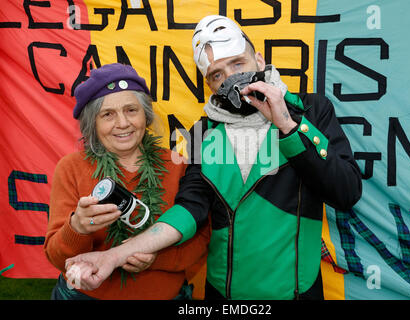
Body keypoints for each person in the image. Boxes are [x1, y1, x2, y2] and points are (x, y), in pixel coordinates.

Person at [65, 15, 362, 300]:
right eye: (217, 74)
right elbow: (190, 209)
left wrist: (287, 125)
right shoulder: (203, 132)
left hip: (298, 291)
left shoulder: (311, 110)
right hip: (223, 294)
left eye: (238, 63)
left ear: (259, 60)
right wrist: (113, 256)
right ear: (209, 84)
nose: (232, 79)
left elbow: (345, 192)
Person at [44, 63, 209, 300]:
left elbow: (201, 241)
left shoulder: (178, 165)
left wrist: (153, 255)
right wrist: (77, 227)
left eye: (131, 110)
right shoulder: (71, 168)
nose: (122, 123)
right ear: (93, 124)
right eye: (108, 114)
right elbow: (58, 259)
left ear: (146, 115)